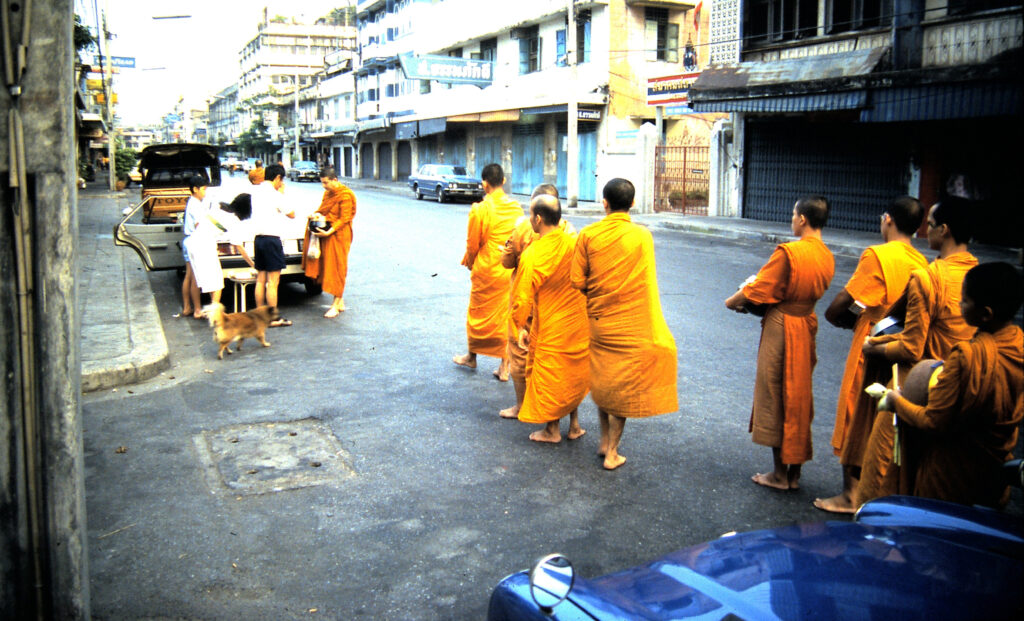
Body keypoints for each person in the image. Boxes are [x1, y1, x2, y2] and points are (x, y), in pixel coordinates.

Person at [854, 197, 978, 506]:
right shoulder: (976, 273)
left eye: (932, 225)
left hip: (919, 383)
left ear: (945, 230)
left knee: (884, 463)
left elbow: (911, 347)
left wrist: (873, 348)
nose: (927, 231)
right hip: (960, 383)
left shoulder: (928, 278)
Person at [875, 262, 1022, 508]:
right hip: (994, 473)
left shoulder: (968, 357)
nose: (958, 305)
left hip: (950, 476)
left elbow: (933, 421)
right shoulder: (1018, 345)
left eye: (964, 301)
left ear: (985, 314)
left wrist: (895, 401)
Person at [815, 196, 928, 513]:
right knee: (887, 417)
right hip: (903, 345)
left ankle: (850, 494)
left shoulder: (878, 255)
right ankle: (880, 489)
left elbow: (846, 297)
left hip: (872, 341)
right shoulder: (921, 261)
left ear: (888, 219)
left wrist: (839, 318)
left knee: (856, 410)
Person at [725, 196, 835, 490]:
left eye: (793, 215)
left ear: (802, 220)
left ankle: (778, 474)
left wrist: (732, 301)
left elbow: (759, 288)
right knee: (798, 396)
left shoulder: (789, 253)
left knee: (774, 392)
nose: (791, 220)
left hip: (782, 325)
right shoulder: (827, 254)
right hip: (806, 325)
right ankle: (794, 473)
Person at [571, 178, 678, 470]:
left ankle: (604, 441)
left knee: (604, 381)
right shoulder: (642, 236)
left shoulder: (588, 234)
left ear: (604, 203)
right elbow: (645, 281)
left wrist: (598, 296)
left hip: (600, 321)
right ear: (632, 204)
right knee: (624, 385)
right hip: (632, 323)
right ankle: (612, 452)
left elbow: (577, 280)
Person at [510, 193, 589, 443]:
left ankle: (552, 430)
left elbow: (522, 297)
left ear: (538, 219)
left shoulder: (534, 254)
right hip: (577, 321)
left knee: (551, 374)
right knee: (572, 372)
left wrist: (520, 325)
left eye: (531, 215)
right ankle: (574, 425)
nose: (530, 220)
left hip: (552, 322)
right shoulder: (574, 243)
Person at [498, 183, 574, 418]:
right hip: (556, 307)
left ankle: (522, 406)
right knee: (555, 359)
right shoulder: (571, 234)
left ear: (538, 214)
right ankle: (566, 417)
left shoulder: (522, 229)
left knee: (520, 354)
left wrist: (506, 250)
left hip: (528, 301)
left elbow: (507, 262)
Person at [452, 163, 523, 376]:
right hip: (508, 269)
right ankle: (504, 366)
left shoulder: (480, 209)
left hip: (488, 269)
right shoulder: (516, 208)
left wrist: (471, 262)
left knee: (477, 313)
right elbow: (519, 240)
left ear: (484, 184)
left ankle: (471, 357)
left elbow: (473, 243)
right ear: (503, 181)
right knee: (505, 317)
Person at [185, 192, 256, 308]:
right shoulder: (235, 221)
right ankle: (214, 312)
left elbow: (199, 222)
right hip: (204, 245)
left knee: (200, 279)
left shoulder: (220, 206)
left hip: (193, 242)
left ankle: (200, 310)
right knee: (217, 282)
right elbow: (238, 246)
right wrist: (252, 264)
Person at [304, 167, 356, 318]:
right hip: (327, 233)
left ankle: (335, 304)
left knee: (338, 267)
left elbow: (345, 218)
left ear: (335, 180)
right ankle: (339, 300)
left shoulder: (345, 195)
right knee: (329, 266)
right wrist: (315, 214)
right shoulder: (328, 193)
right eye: (322, 183)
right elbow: (323, 210)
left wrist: (330, 231)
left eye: (326, 183)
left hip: (339, 234)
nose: (324, 186)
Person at [250, 163, 295, 327]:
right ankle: (273, 317)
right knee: (273, 282)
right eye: (281, 181)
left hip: (259, 239)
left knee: (260, 279)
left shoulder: (255, 191)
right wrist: (282, 194)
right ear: (277, 178)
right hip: (271, 239)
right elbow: (291, 214)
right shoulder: (275, 194)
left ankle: (259, 312)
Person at [177, 175, 207, 319]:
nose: (205, 192)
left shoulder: (192, 202)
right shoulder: (196, 204)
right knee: (195, 277)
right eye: (203, 189)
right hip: (195, 241)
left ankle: (187, 307)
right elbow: (200, 226)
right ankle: (197, 310)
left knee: (189, 275)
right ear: (195, 189)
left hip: (188, 241)